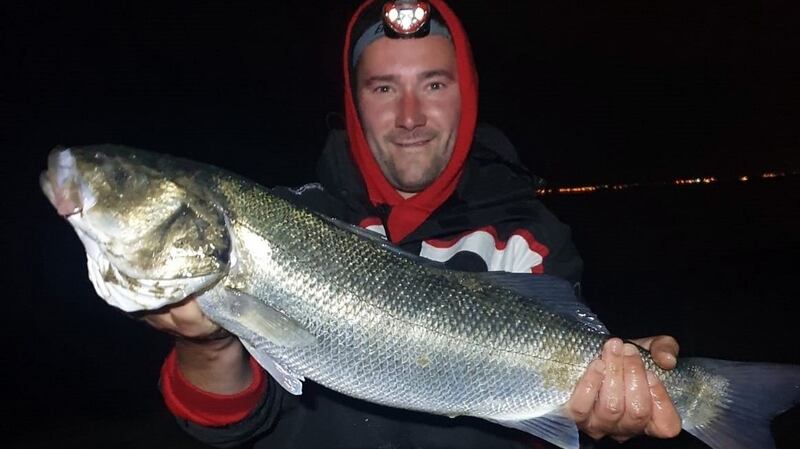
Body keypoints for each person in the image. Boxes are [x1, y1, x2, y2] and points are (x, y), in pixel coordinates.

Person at [145, 1, 682, 447]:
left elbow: (550, 416)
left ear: (465, 95)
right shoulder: (286, 223)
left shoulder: (529, 239)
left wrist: (618, 388)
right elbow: (228, 429)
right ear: (354, 103)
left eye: (433, 85)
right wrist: (208, 346)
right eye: (382, 88)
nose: (409, 117)